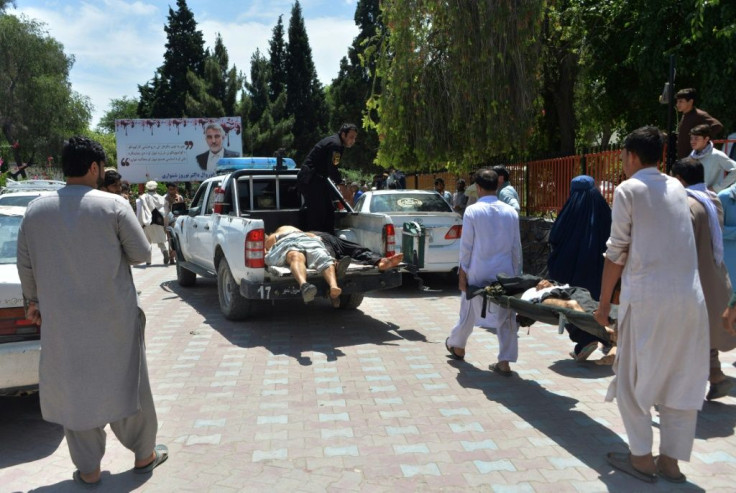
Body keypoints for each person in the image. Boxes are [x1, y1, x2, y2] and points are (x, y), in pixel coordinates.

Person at [16, 136, 168, 487]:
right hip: (115, 318)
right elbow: (143, 254)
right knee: (130, 382)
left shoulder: (36, 210)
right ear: (95, 167)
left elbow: (25, 264)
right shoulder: (113, 205)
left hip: (63, 323)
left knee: (76, 391)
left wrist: (33, 302)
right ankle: (144, 455)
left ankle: (89, 471)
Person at [594, 126, 709, 484]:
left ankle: (641, 458)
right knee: (682, 378)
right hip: (691, 300)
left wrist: (602, 305)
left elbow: (616, 252)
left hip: (647, 300)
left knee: (630, 379)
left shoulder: (628, 190)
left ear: (630, 155)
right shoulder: (677, 186)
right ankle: (671, 462)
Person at [445, 169, 522, 375]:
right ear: (497, 185)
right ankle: (505, 360)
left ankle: (457, 344)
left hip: (478, 271)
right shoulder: (511, 212)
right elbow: (516, 248)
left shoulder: (472, 211)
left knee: (468, 309)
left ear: (478, 188)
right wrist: (517, 276)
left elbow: (466, 247)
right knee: (507, 315)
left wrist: (462, 274)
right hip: (505, 272)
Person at [671, 157, 736, 400]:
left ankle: (683, 386)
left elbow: (679, 245)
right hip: (714, 274)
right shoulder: (712, 198)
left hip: (692, 277)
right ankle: (716, 376)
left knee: (684, 332)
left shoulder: (687, 204)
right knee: (704, 329)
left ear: (679, 179)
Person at [548, 175, 612, 361]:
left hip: (572, 269)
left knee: (568, 301)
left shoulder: (570, 210)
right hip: (600, 269)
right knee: (598, 302)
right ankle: (606, 338)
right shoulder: (603, 210)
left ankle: (585, 339)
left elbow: (555, 236)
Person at [296, 124, 358, 233]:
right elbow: (333, 169)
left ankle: (329, 239)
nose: (353, 141)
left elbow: (331, 169)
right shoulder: (336, 145)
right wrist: (343, 188)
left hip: (319, 180)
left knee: (329, 212)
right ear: (343, 134)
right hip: (311, 180)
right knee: (318, 214)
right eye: (351, 137)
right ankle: (315, 240)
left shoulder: (337, 144)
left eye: (355, 138)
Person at [264, 225, 345, 306]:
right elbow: (314, 236)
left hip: (292, 242)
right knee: (322, 257)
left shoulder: (274, 236)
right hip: (303, 241)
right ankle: (332, 286)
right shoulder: (296, 232)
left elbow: (268, 246)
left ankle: (306, 285)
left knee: (296, 257)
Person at [309, 230, 404, 271]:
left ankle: (380, 261)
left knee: (356, 249)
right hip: (315, 241)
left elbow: (298, 232)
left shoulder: (294, 229)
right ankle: (335, 265)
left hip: (325, 236)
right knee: (326, 255)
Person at [676, 88, 723, 159]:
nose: (678, 104)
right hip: (684, 158)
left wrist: (703, 140)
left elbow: (717, 126)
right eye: (677, 102)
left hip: (694, 158)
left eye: (681, 101)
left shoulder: (699, 114)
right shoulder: (685, 115)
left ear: (690, 102)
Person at [688, 124, 736, 192]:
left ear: (706, 139)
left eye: (696, 138)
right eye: (691, 138)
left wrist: (717, 188)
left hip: (710, 198)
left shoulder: (717, 155)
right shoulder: (691, 156)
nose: (692, 141)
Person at [136, 180, 169, 265]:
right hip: (159, 222)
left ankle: (148, 261)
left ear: (147, 188)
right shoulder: (161, 198)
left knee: (147, 243)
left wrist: (140, 223)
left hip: (147, 222)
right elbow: (165, 211)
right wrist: (165, 224)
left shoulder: (142, 198)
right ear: (156, 188)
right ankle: (164, 251)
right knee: (160, 241)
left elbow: (140, 211)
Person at [163, 182, 185, 264]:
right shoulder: (165, 198)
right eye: (170, 189)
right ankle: (171, 257)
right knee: (170, 239)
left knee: (178, 238)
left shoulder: (180, 197)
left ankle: (177, 255)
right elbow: (165, 212)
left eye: (173, 189)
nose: (171, 191)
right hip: (169, 221)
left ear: (176, 189)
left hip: (179, 220)